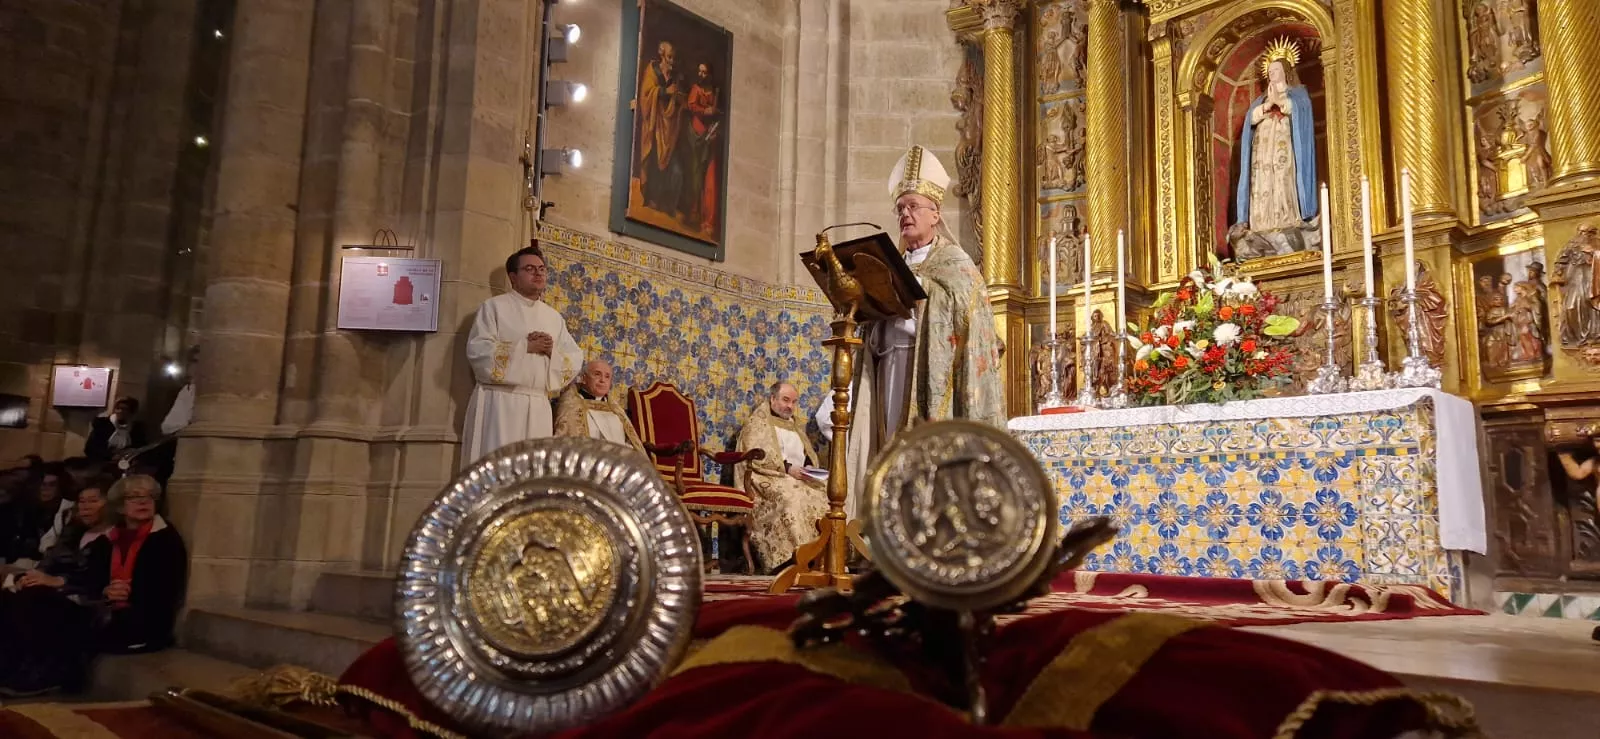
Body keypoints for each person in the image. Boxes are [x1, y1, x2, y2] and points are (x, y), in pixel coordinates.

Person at [831, 145, 1005, 518]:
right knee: (887, 449)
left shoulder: (957, 265)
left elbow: (973, 326)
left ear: (935, 214)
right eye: (900, 208)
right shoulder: (887, 263)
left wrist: (920, 300)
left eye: (913, 206)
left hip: (927, 373)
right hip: (886, 370)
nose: (905, 214)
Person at [461, 244, 584, 467]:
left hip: (538, 405)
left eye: (542, 269)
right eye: (529, 268)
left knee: (531, 474)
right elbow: (478, 351)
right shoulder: (494, 308)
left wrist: (551, 351)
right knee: (498, 469)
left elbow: (574, 358)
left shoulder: (553, 318)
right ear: (513, 277)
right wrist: (525, 346)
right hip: (500, 403)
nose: (538, 273)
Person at [735, 382, 829, 572]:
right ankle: (791, 560)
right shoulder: (757, 423)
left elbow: (805, 455)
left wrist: (808, 468)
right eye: (785, 400)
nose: (790, 406)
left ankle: (821, 558)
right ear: (772, 399)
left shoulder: (795, 426)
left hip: (797, 478)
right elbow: (758, 457)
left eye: (794, 402)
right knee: (790, 498)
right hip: (766, 479)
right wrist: (787, 469)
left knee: (826, 497)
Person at [1234, 38, 1317, 237]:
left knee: (1283, 177)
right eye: (1270, 71)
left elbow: (1300, 113)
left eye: (1276, 70)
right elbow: (1251, 120)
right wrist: (1268, 104)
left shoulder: (1298, 94)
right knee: (1262, 181)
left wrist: (1279, 101)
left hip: (1284, 146)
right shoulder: (1260, 100)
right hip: (1262, 150)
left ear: (1286, 71)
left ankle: (1287, 219)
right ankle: (1261, 224)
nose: (1272, 73)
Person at [553, 359, 646, 454]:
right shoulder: (571, 406)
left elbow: (629, 443)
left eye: (607, 376)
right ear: (584, 378)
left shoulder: (616, 410)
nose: (602, 380)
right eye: (597, 374)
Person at [84, 397, 150, 463]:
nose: (120, 411)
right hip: (103, 463)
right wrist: (111, 455)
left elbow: (141, 448)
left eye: (125, 409)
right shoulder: (103, 425)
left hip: (126, 463)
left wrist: (132, 453)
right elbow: (90, 448)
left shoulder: (136, 428)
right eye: (118, 408)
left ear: (131, 412)